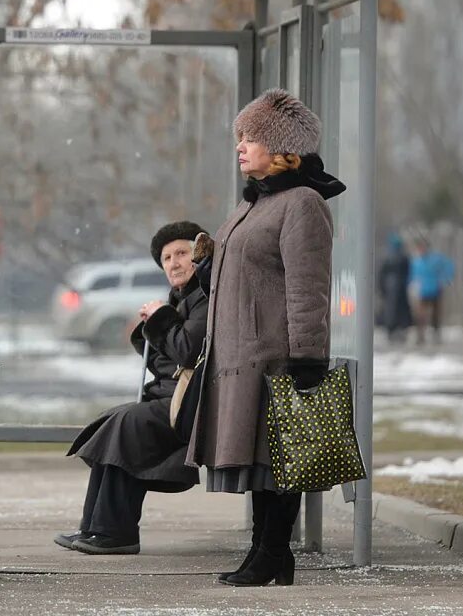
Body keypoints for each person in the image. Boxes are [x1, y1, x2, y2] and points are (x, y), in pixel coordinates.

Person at [185, 88, 345, 588]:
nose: (240, 146)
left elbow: (307, 287)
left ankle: (272, 552)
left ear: (282, 149)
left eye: (251, 137)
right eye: (240, 137)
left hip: (276, 354)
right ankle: (266, 552)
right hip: (240, 354)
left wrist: (307, 357)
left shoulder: (303, 204)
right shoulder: (254, 202)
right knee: (262, 459)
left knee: (282, 459)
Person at [56, 221, 209, 555]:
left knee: (127, 425)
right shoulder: (182, 298)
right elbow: (166, 356)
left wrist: (161, 319)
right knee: (119, 420)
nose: (174, 263)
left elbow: (187, 350)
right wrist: (152, 324)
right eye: (167, 258)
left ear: (199, 257)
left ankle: (117, 534)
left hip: (192, 405)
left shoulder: (205, 298)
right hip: (173, 398)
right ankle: (96, 528)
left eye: (182, 253)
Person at [409, 239, 455, 345]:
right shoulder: (416, 262)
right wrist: (412, 285)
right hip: (422, 292)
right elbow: (412, 275)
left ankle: (436, 334)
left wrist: (446, 278)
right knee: (420, 315)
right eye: (419, 248)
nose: (421, 250)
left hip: (436, 290)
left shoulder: (436, 259)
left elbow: (449, 265)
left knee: (436, 314)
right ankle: (420, 336)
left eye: (423, 248)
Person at [378, 233, 412, 344]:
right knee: (393, 312)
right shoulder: (391, 258)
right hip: (394, 291)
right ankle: (394, 330)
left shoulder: (397, 258)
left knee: (394, 311)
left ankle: (396, 330)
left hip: (396, 291)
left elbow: (381, 275)